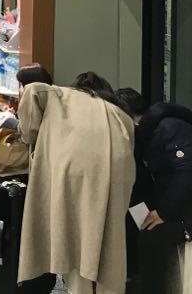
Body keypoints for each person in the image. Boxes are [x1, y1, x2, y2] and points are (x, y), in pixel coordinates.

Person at [18, 72, 136, 294]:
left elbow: (32, 89)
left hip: (72, 177)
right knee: (105, 246)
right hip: (113, 179)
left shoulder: (60, 95)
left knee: (72, 238)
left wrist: (29, 134)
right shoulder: (119, 113)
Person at [125, 91, 192, 294]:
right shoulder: (147, 133)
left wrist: (164, 212)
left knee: (153, 238)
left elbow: (185, 171)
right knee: (143, 230)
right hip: (172, 205)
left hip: (182, 210)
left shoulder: (169, 128)